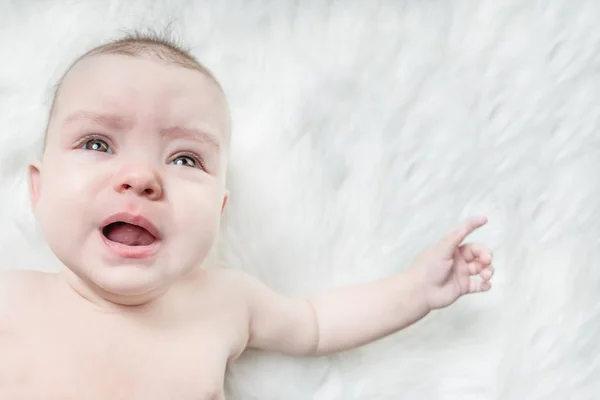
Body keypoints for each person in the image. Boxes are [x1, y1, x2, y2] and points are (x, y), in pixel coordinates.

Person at [0, 32, 494, 399]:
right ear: (39, 190)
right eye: (97, 143)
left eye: (184, 158)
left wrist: (415, 290)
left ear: (219, 210)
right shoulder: (12, 300)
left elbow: (317, 323)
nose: (141, 176)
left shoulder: (224, 301)